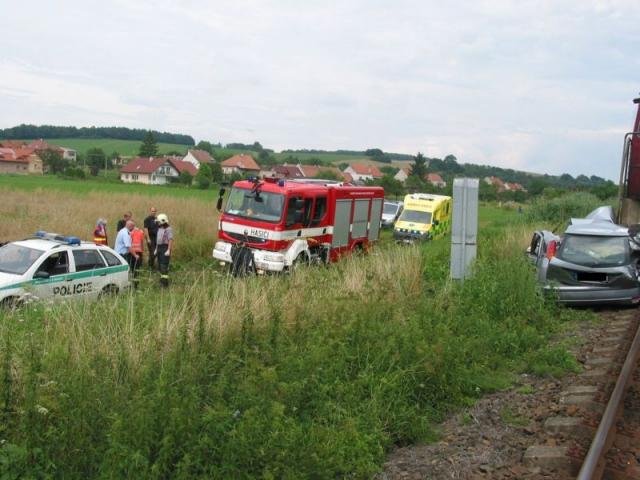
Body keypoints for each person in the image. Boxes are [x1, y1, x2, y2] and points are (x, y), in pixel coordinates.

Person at [155, 213, 173, 287]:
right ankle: (161, 280)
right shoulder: (160, 228)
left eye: (159, 222)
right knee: (159, 265)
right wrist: (156, 249)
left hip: (165, 248)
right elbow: (158, 240)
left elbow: (170, 240)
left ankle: (165, 284)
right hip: (159, 248)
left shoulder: (168, 229)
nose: (158, 223)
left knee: (163, 266)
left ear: (163, 221)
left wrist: (168, 250)